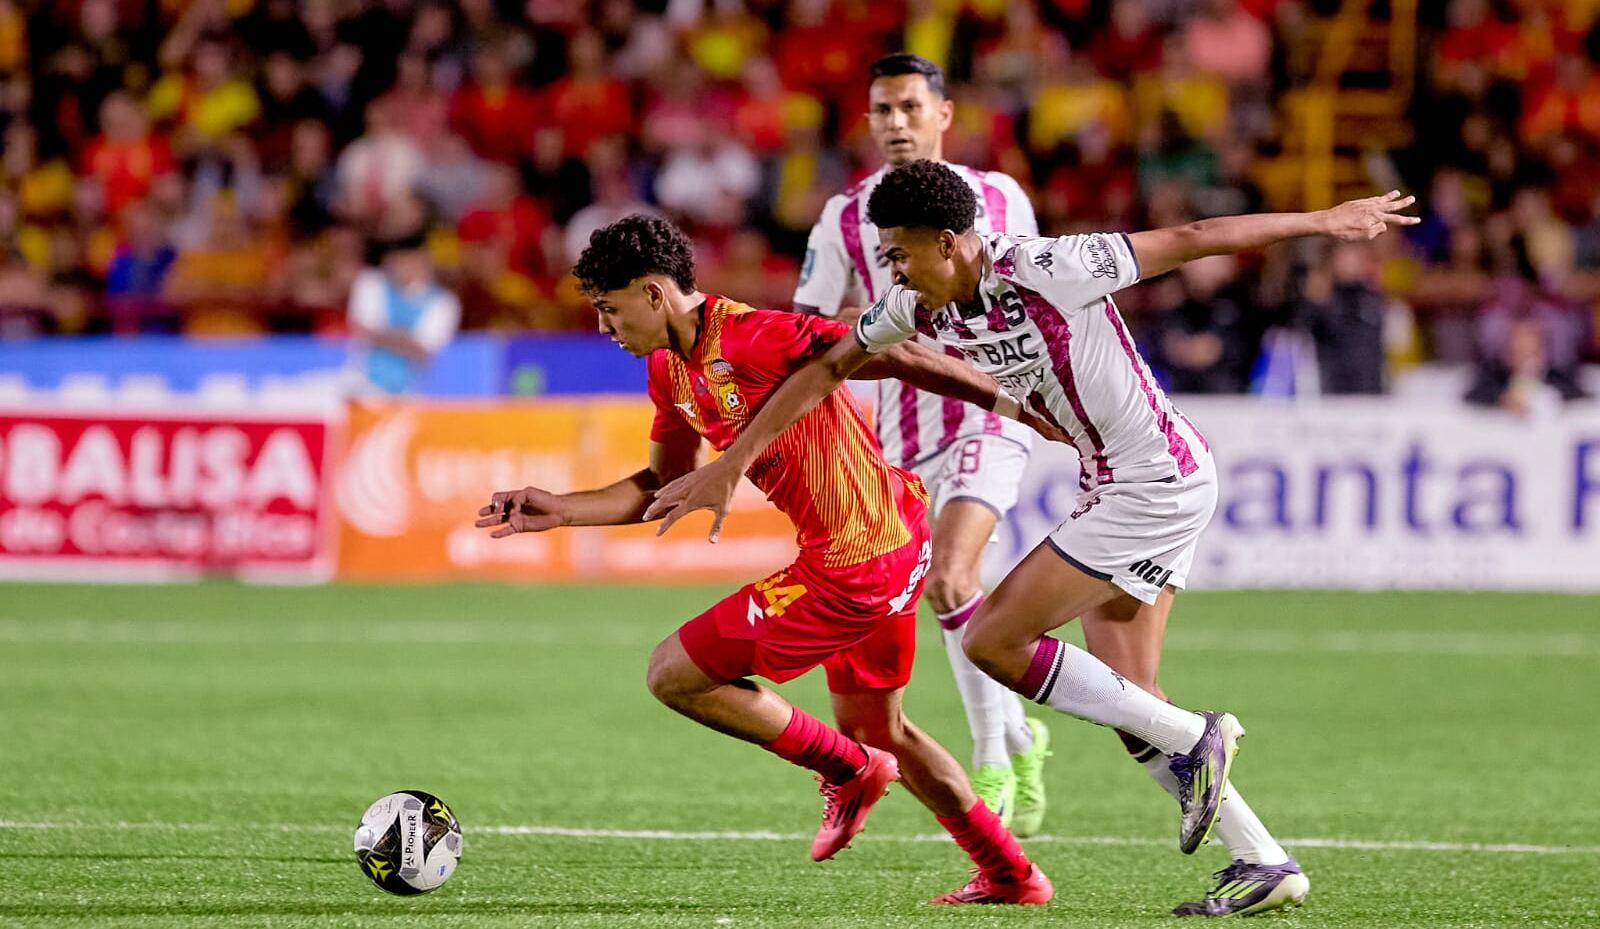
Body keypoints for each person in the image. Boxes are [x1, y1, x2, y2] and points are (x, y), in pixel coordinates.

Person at [649, 160, 1420, 916]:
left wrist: (1322, 221)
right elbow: (830, 366)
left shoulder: (1051, 264)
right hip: (1126, 481)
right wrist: (736, 462)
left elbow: (1194, 235)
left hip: (1150, 481)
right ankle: (1262, 857)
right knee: (1131, 701)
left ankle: (1198, 733)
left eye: (900, 252)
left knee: (991, 638)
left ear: (949, 242)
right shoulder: (919, 306)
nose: (892, 269)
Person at [475, 215, 1054, 905]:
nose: (604, 326)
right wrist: (562, 509)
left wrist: (1011, 404)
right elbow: (665, 484)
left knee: (674, 673)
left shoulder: (755, 334)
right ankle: (1012, 873)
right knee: (881, 727)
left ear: (654, 294)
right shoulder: (669, 371)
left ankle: (848, 771)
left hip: (859, 561)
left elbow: (888, 350)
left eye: (609, 307)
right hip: (885, 541)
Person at [794, 52, 1050, 834]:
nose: (897, 123)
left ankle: (993, 759)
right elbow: (811, 325)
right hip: (899, 435)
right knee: (940, 596)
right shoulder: (843, 217)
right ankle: (1019, 731)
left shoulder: (999, 196)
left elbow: (1035, 296)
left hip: (989, 413)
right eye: (883, 111)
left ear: (945, 113)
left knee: (950, 577)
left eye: (910, 107)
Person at [346, 236, 461, 396]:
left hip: (411, 392)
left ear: (426, 262)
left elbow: (424, 351)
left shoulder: (444, 302)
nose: (406, 266)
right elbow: (363, 329)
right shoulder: (370, 282)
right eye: (400, 259)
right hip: (359, 383)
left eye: (412, 259)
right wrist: (406, 340)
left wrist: (382, 335)